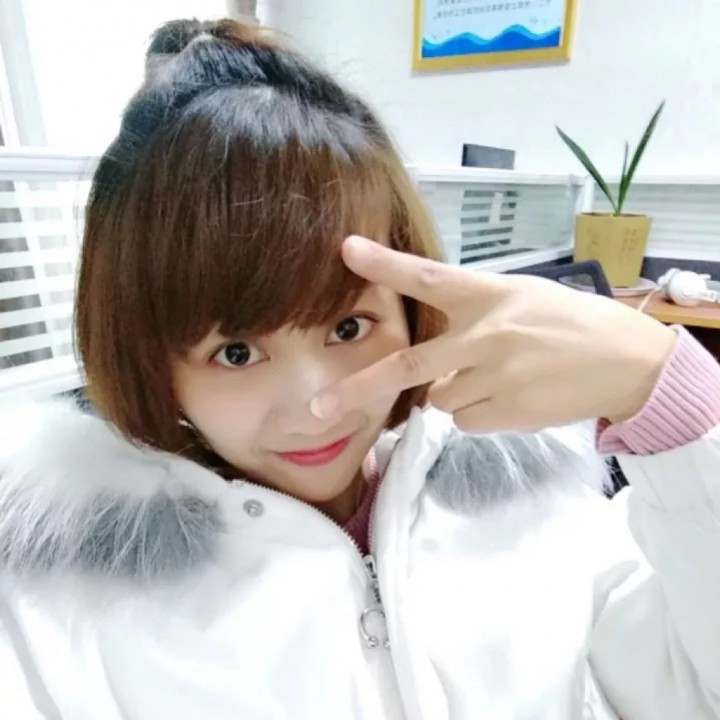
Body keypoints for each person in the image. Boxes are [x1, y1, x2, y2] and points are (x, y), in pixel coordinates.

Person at [0, 17, 719, 720]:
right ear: (149, 356)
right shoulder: (60, 610)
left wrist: (670, 398)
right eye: (237, 352)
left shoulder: (529, 495)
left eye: (347, 327)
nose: (320, 405)